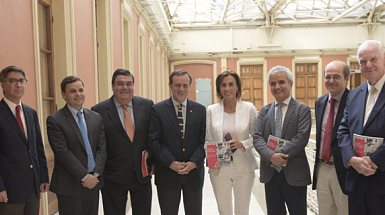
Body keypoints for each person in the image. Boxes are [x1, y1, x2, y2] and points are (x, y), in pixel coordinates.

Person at [92, 69, 154, 215]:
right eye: (120, 84)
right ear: (113, 86)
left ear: (133, 86)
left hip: (141, 174)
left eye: (129, 84)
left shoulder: (147, 106)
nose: (125, 88)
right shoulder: (99, 110)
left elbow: (153, 137)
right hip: (113, 175)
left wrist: (154, 162)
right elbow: (98, 144)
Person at [253, 66, 311, 215]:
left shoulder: (302, 109)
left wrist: (280, 155)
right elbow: (257, 137)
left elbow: (301, 137)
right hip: (270, 173)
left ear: (290, 84)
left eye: (281, 82)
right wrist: (271, 156)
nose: (277, 87)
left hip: (294, 174)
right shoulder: (264, 111)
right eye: (273, 83)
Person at [148, 69, 206, 215]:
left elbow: (204, 140)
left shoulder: (200, 110)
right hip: (167, 174)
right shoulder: (158, 109)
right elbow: (154, 140)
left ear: (189, 86)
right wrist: (170, 162)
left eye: (185, 86)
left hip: (193, 174)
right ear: (170, 85)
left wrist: (194, 162)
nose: (181, 89)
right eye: (177, 85)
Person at [47, 76, 107, 215]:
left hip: (94, 183)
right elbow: (63, 152)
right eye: (73, 91)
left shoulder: (95, 117)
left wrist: (95, 175)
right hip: (70, 185)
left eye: (81, 90)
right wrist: (84, 177)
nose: (78, 94)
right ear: (63, 95)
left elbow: (102, 148)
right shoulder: (55, 120)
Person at [337, 40, 385, 214]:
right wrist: (351, 159)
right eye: (363, 61)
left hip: (381, 178)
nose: (368, 65)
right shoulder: (354, 94)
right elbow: (343, 130)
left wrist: (373, 161)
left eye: (373, 59)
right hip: (356, 180)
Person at [205, 70, 258, 215]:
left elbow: (257, 137)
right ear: (219, 88)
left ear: (237, 87)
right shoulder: (211, 110)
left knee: (242, 210)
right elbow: (208, 140)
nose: (227, 88)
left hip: (244, 166)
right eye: (223, 85)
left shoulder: (249, 108)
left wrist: (243, 144)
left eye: (230, 84)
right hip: (219, 166)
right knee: (224, 210)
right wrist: (211, 160)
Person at [0, 66, 49, 215]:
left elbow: (38, 147)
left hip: (33, 187)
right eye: (13, 81)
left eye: (22, 81)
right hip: (9, 190)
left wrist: (44, 176)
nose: (18, 85)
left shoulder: (30, 113)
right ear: (2, 84)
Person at [312, 61, 350, 215]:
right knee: (325, 211)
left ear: (347, 79)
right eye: (327, 77)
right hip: (322, 167)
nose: (331, 81)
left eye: (336, 77)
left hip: (344, 170)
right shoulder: (320, 102)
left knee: (345, 210)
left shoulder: (354, 100)